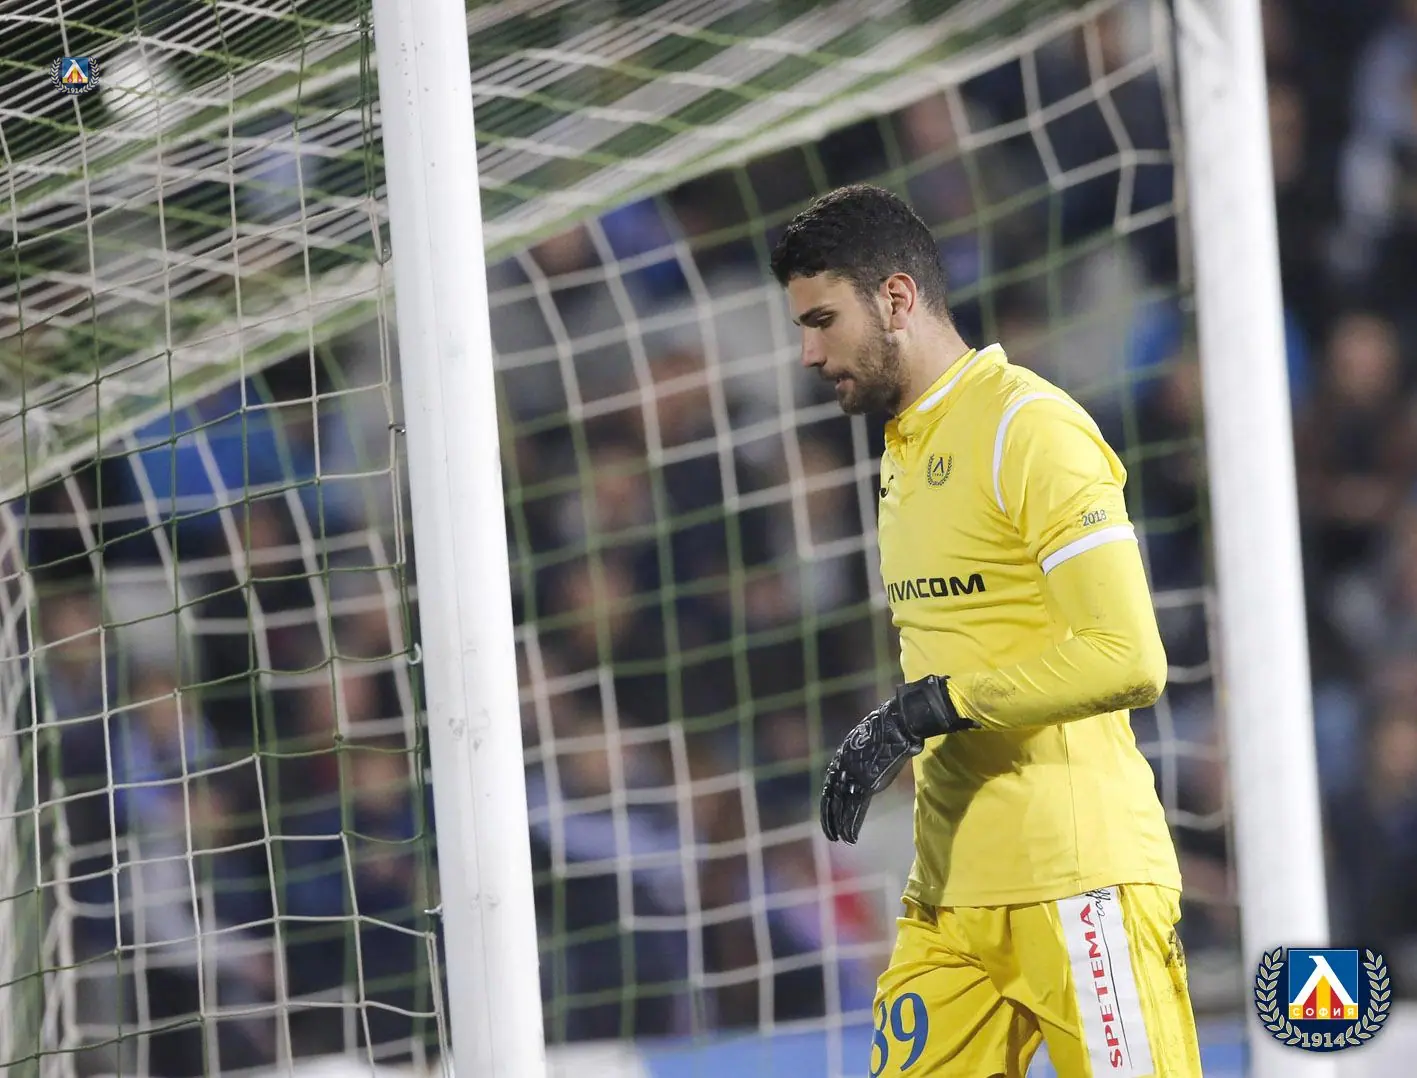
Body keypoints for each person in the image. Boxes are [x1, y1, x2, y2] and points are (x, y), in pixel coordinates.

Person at [769, 184, 1201, 1078]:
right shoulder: (902, 448)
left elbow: (1128, 657)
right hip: (948, 900)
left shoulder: (1027, 426)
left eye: (821, 321)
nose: (808, 353)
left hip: (1078, 882)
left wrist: (926, 709)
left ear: (895, 298)